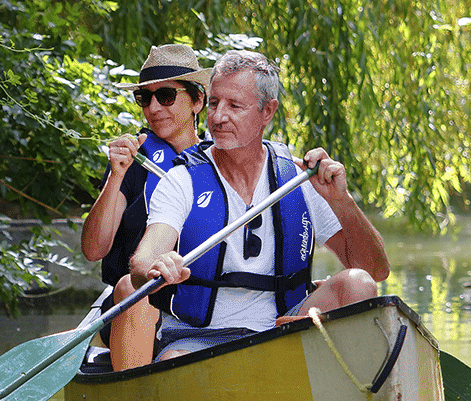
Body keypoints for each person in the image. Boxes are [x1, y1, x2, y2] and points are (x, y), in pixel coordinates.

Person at [128, 49, 389, 361]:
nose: (218, 116)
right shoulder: (181, 181)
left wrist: (342, 202)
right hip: (200, 338)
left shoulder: (298, 179)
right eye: (214, 103)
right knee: (172, 362)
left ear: (268, 111)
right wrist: (155, 267)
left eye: (234, 105)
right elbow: (141, 264)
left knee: (358, 284)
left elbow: (375, 270)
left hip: (284, 329)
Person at [80, 44, 211, 370]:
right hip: (139, 303)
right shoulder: (132, 161)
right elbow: (94, 249)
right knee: (131, 287)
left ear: (197, 101)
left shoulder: (220, 160)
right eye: (144, 98)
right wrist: (116, 176)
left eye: (166, 95)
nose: (153, 108)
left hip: (207, 302)